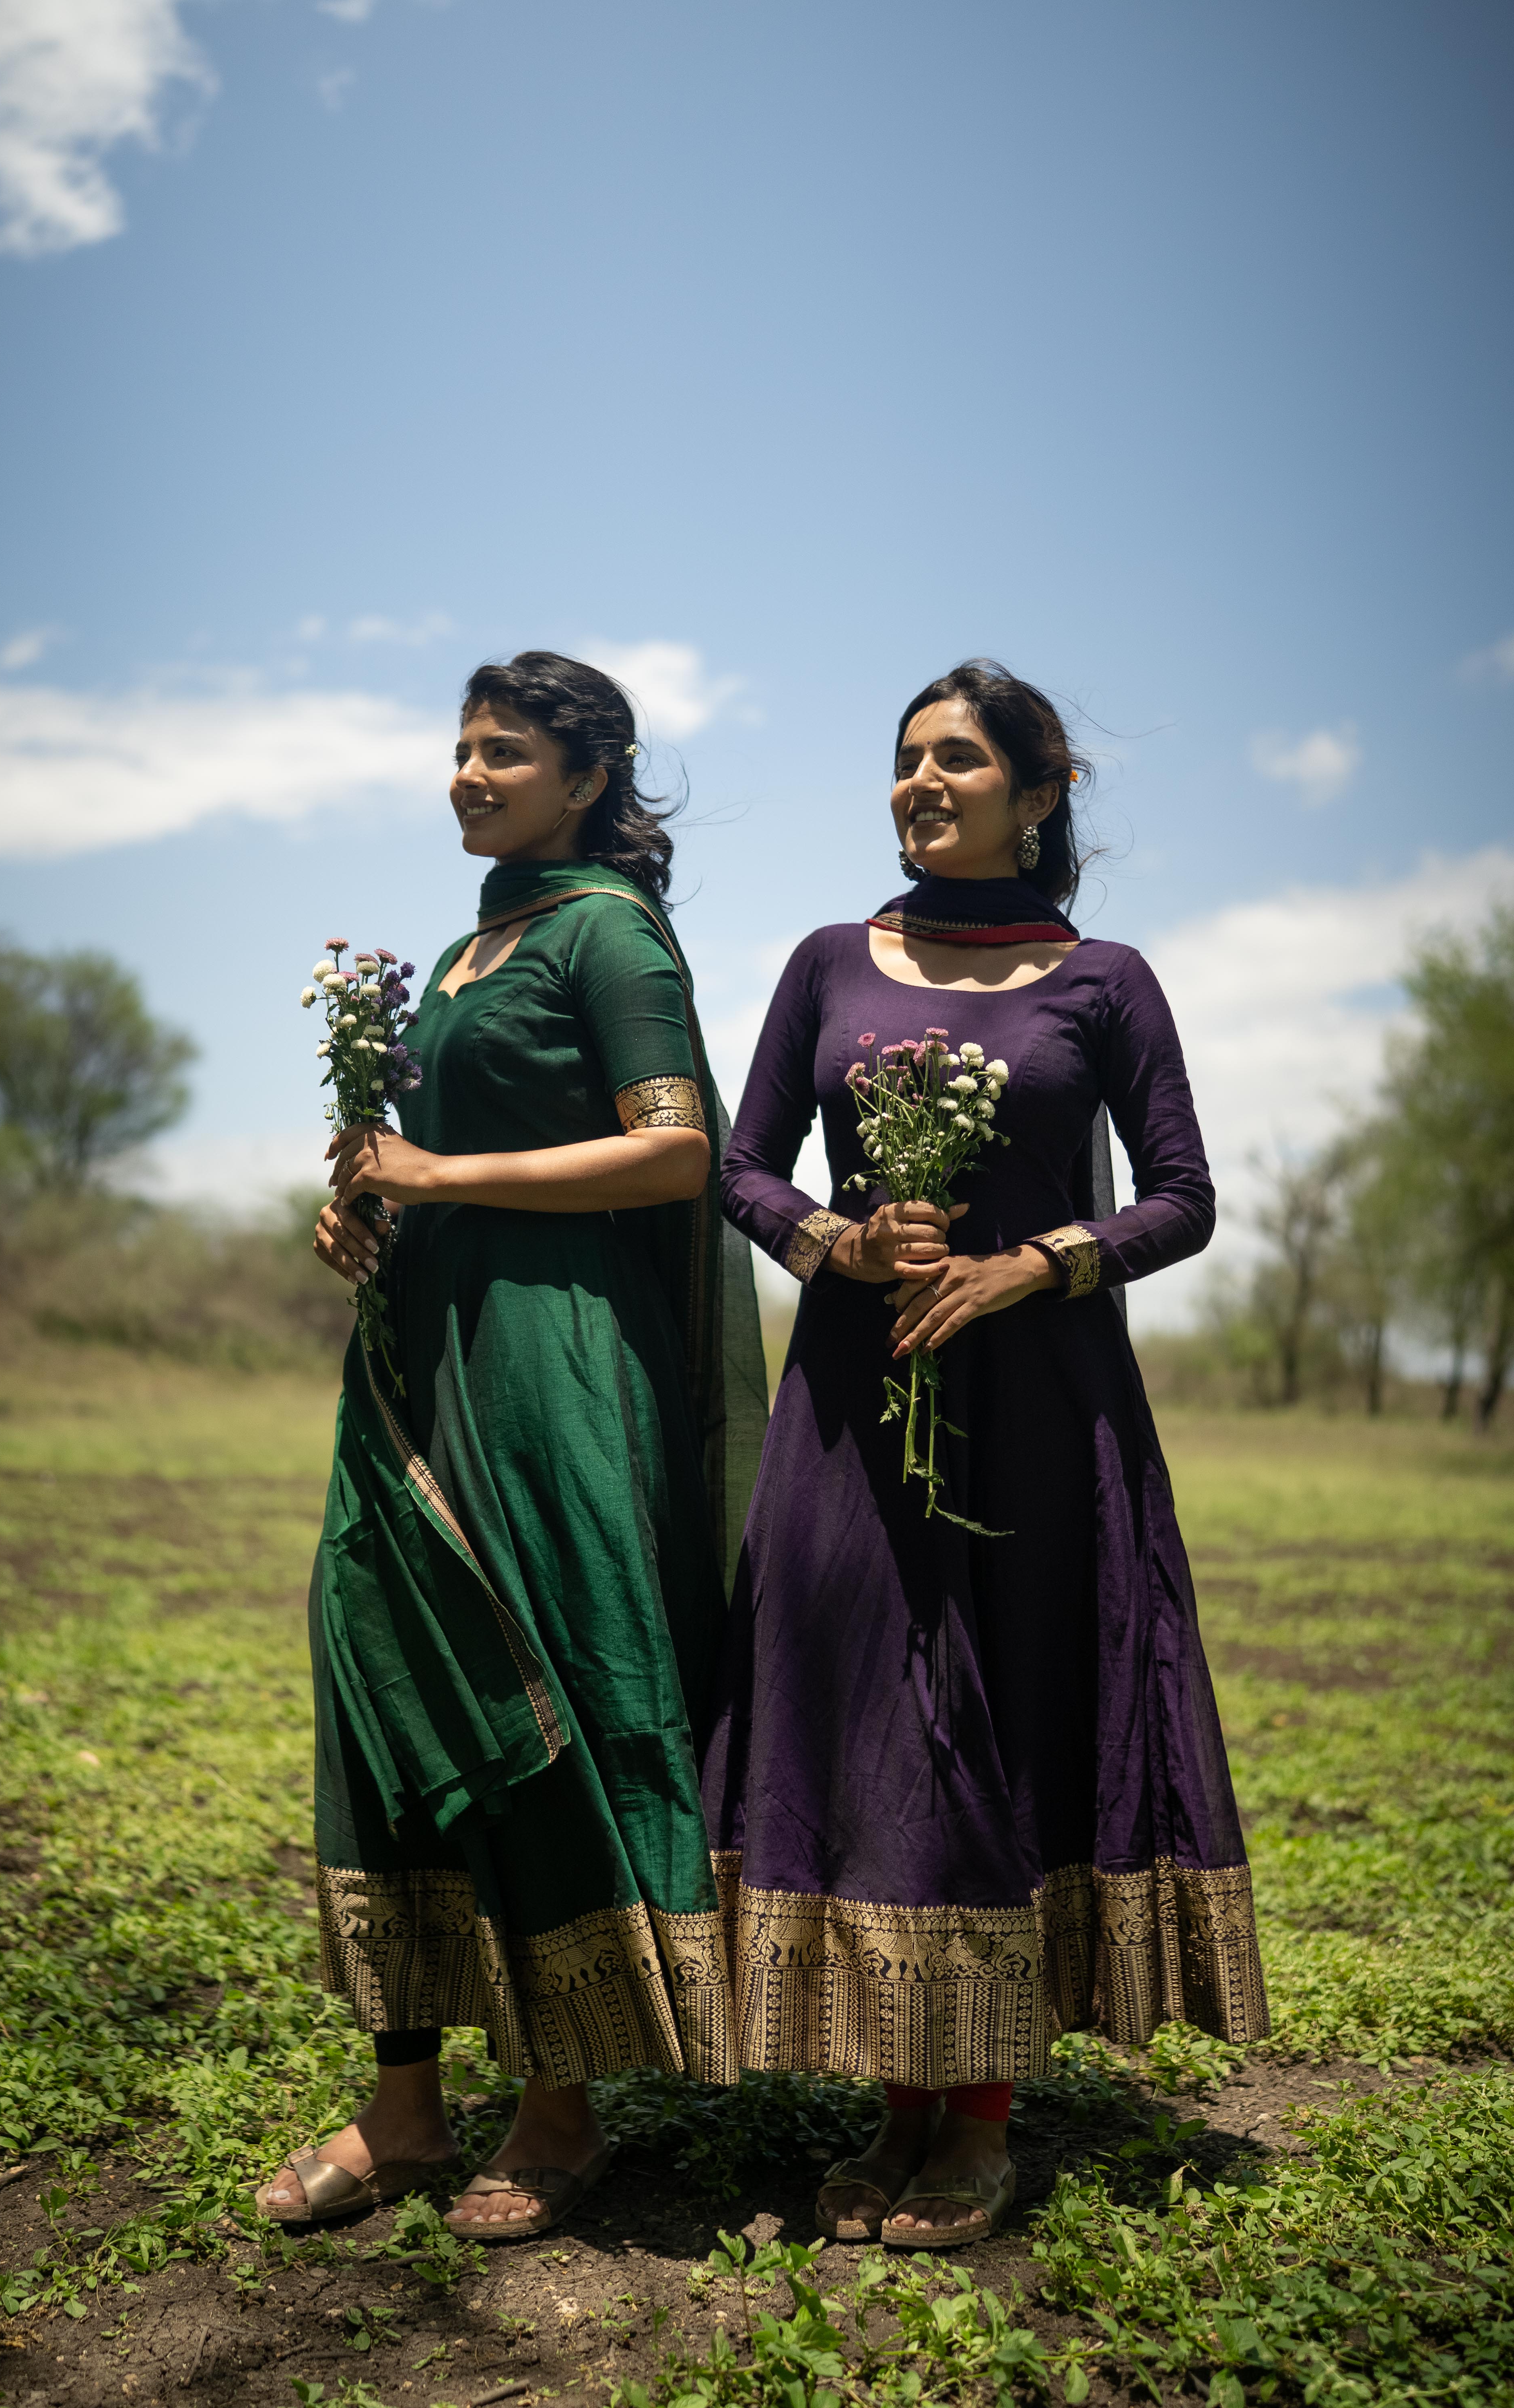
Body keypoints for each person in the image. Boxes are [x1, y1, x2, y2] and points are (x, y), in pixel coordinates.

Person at [703, 659, 1269, 2249]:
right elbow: (741, 1168)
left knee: (1008, 1714)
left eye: (957, 757)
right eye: (907, 758)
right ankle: (899, 2099)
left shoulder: (1107, 981)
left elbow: (1183, 1196)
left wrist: (1031, 1265)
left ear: (1039, 792)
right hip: (852, 1404)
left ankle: (980, 2117)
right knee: (869, 1719)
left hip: (1040, 1414)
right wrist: (838, 1242)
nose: (922, 783)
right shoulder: (829, 964)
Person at [259, 652, 766, 2241]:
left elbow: (677, 1153)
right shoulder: (465, 952)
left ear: (588, 779)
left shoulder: (610, 935)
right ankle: (406, 2106)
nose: (470, 773)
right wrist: (368, 1207)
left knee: (541, 1684)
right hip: (418, 1354)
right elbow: (430, 1157)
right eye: (463, 747)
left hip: (554, 1361)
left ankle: (560, 2103)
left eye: (506, 751)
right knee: (383, 1671)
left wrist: (441, 1174)